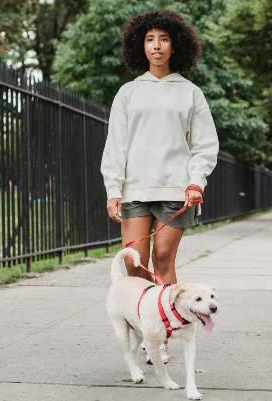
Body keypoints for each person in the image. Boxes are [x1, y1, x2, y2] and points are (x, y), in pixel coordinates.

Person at [100, 9, 219, 285]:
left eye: (164, 39)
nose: (156, 45)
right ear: (140, 46)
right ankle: (146, 325)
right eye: (150, 39)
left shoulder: (190, 92)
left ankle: (168, 327)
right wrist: (113, 190)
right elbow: (116, 145)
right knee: (134, 264)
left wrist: (196, 182)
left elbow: (205, 145)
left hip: (176, 191)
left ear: (175, 44)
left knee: (163, 259)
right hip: (135, 189)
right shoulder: (128, 92)